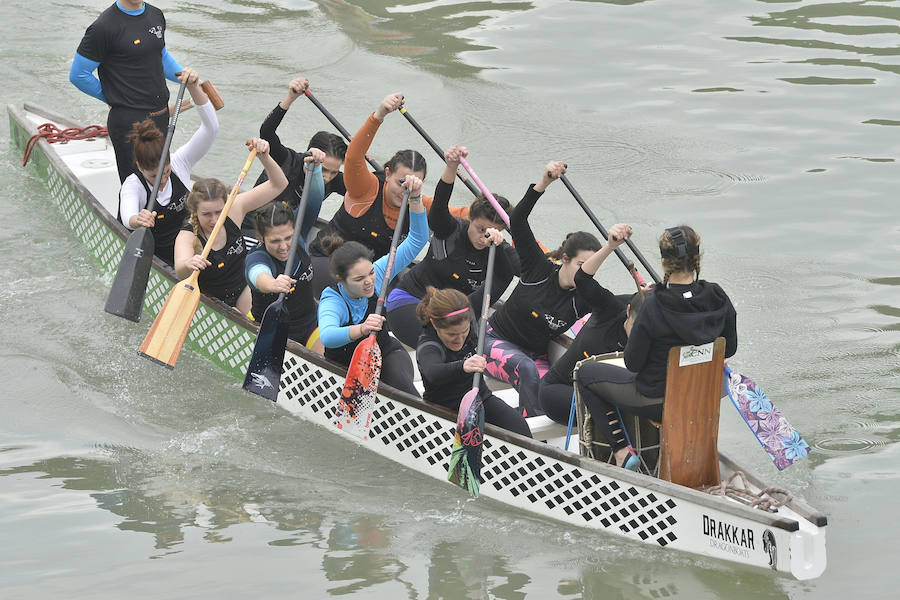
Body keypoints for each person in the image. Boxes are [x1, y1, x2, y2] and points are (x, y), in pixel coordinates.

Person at [575, 226, 737, 470]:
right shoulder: (717, 295)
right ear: (697, 258)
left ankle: (621, 452)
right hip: (704, 398)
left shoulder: (653, 305)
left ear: (663, 262)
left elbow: (633, 363)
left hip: (660, 401)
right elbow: (730, 348)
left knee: (585, 373)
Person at [482, 161, 626, 417]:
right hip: (493, 340)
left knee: (554, 389)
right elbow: (518, 220)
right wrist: (544, 181)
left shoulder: (585, 298)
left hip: (535, 355)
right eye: (582, 265)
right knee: (525, 369)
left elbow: (623, 308)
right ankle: (527, 438)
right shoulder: (537, 267)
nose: (586, 273)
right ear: (566, 259)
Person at [307, 92, 468, 296]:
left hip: (374, 276)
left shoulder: (417, 203)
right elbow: (354, 156)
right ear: (388, 173)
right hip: (328, 261)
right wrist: (379, 114)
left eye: (413, 184)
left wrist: (507, 222)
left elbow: (463, 214)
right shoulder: (366, 188)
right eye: (402, 182)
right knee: (352, 292)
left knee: (386, 303)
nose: (405, 190)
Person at [385, 145, 520, 348]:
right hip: (411, 300)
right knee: (443, 342)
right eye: (480, 228)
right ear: (470, 219)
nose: (483, 237)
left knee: (458, 338)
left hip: (453, 320)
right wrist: (451, 167)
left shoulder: (499, 252)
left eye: (491, 232)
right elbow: (439, 206)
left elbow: (534, 269)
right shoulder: (450, 230)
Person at [317, 176, 428, 397]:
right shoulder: (333, 300)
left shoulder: (378, 272)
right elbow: (328, 336)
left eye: (369, 273)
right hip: (346, 368)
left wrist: (415, 199)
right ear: (341, 279)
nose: (369, 281)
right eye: (359, 280)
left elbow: (417, 239)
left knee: (404, 390)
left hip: (386, 353)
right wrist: (363, 329)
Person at [70, 0, 185, 182]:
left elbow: (160, 55)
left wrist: (186, 77)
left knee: (161, 181)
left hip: (161, 115)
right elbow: (79, 75)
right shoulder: (103, 27)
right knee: (136, 186)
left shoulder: (156, 14)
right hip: (129, 123)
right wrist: (113, 98)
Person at [173, 138, 288, 314]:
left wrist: (264, 157)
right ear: (195, 211)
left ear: (226, 205)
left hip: (243, 288)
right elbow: (180, 270)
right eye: (206, 214)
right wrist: (190, 263)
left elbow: (279, 184)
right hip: (210, 301)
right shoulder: (188, 235)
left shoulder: (234, 209)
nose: (214, 220)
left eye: (219, 212)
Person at [118, 68, 217, 266]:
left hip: (188, 246)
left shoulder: (180, 162)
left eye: (166, 172)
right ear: (140, 166)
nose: (163, 180)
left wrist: (193, 88)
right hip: (156, 254)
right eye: (154, 177)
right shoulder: (133, 184)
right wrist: (138, 219)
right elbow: (127, 212)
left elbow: (211, 128)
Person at [416, 287, 532, 438]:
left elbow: (501, 280)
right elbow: (433, 372)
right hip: (445, 409)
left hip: (481, 398)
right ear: (435, 324)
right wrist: (463, 366)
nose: (459, 339)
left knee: (519, 427)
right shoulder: (428, 345)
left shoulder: (471, 320)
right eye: (452, 334)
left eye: (464, 331)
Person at [241, 77, 348, 239]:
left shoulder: (333, 180)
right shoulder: (287, 160)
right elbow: (267, 132)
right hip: (252, 229)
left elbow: (369, 187)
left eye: (334, 172)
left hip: (285, 238)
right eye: (323, 169)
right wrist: (290, 97)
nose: (327, 177)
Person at [244, 149, 327, 353]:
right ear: (262, 238)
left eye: (288, 238)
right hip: (269, 327)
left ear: (295, 230)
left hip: (310, 324)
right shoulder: (257, 257)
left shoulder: (298, 236)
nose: (283, 246)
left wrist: (314, 169)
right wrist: (273, 283)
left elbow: (314, 199)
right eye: (275, 241)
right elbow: (257, 275)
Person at [539, 291, 644, 425]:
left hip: (595, 392)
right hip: (558, 391)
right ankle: (620, 446)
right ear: (628, 311)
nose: (638, 336)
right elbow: (584, 281)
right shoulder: (609, 310)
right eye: (636, 327)